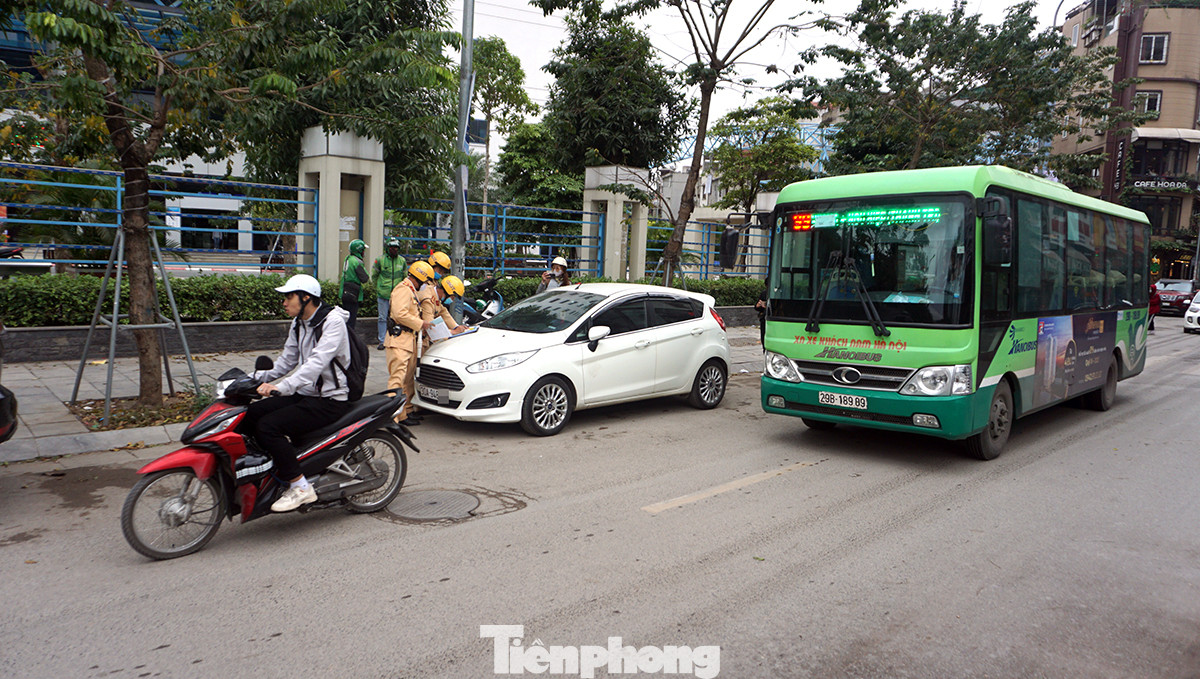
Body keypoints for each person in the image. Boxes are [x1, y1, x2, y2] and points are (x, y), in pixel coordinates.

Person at [244, 274, 353, 512]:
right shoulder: (299, 323)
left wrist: (281, 387)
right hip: (305, 393)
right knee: (250, 414)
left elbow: (316, 363)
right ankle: (270, 469)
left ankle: (301, 486)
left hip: (330, 399)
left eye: (289, 297)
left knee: (268, 426)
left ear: (306, 298)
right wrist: (250, 380)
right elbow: (286, 362)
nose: (284, 302)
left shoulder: (333, 322)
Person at [386, 261, 434, 425]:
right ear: (420, 279)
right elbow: (399, 314)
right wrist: (421, 324)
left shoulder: (411, 291)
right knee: (397, 380)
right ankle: (392, 417)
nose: (426, 286)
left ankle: (404, 414)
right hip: (399, 341)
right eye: (426, 282)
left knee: (407, 381)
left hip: (408, 340)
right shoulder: (403, 289)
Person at [371, 236, 407, 350]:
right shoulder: (380, 260)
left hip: (397, 296)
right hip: (383, 294)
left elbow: (405, 277)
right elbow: (374, 276)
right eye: (392, 248)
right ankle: (382, 341)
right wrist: (378, 288)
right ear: (387, 248)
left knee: (396, 318)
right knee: (382, 318)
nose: (394, 250)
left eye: (396, 248)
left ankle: (395, 340)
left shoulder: (402, 261)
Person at [339, 239, 369, 330]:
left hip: (345, 291)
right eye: (363, 250)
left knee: (346, 319)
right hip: (353, 293)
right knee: (351, 320)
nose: (364, 252)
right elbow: (365, 278)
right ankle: (350, 342)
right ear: (359, 250)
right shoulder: (357, 262)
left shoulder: (348, 258)